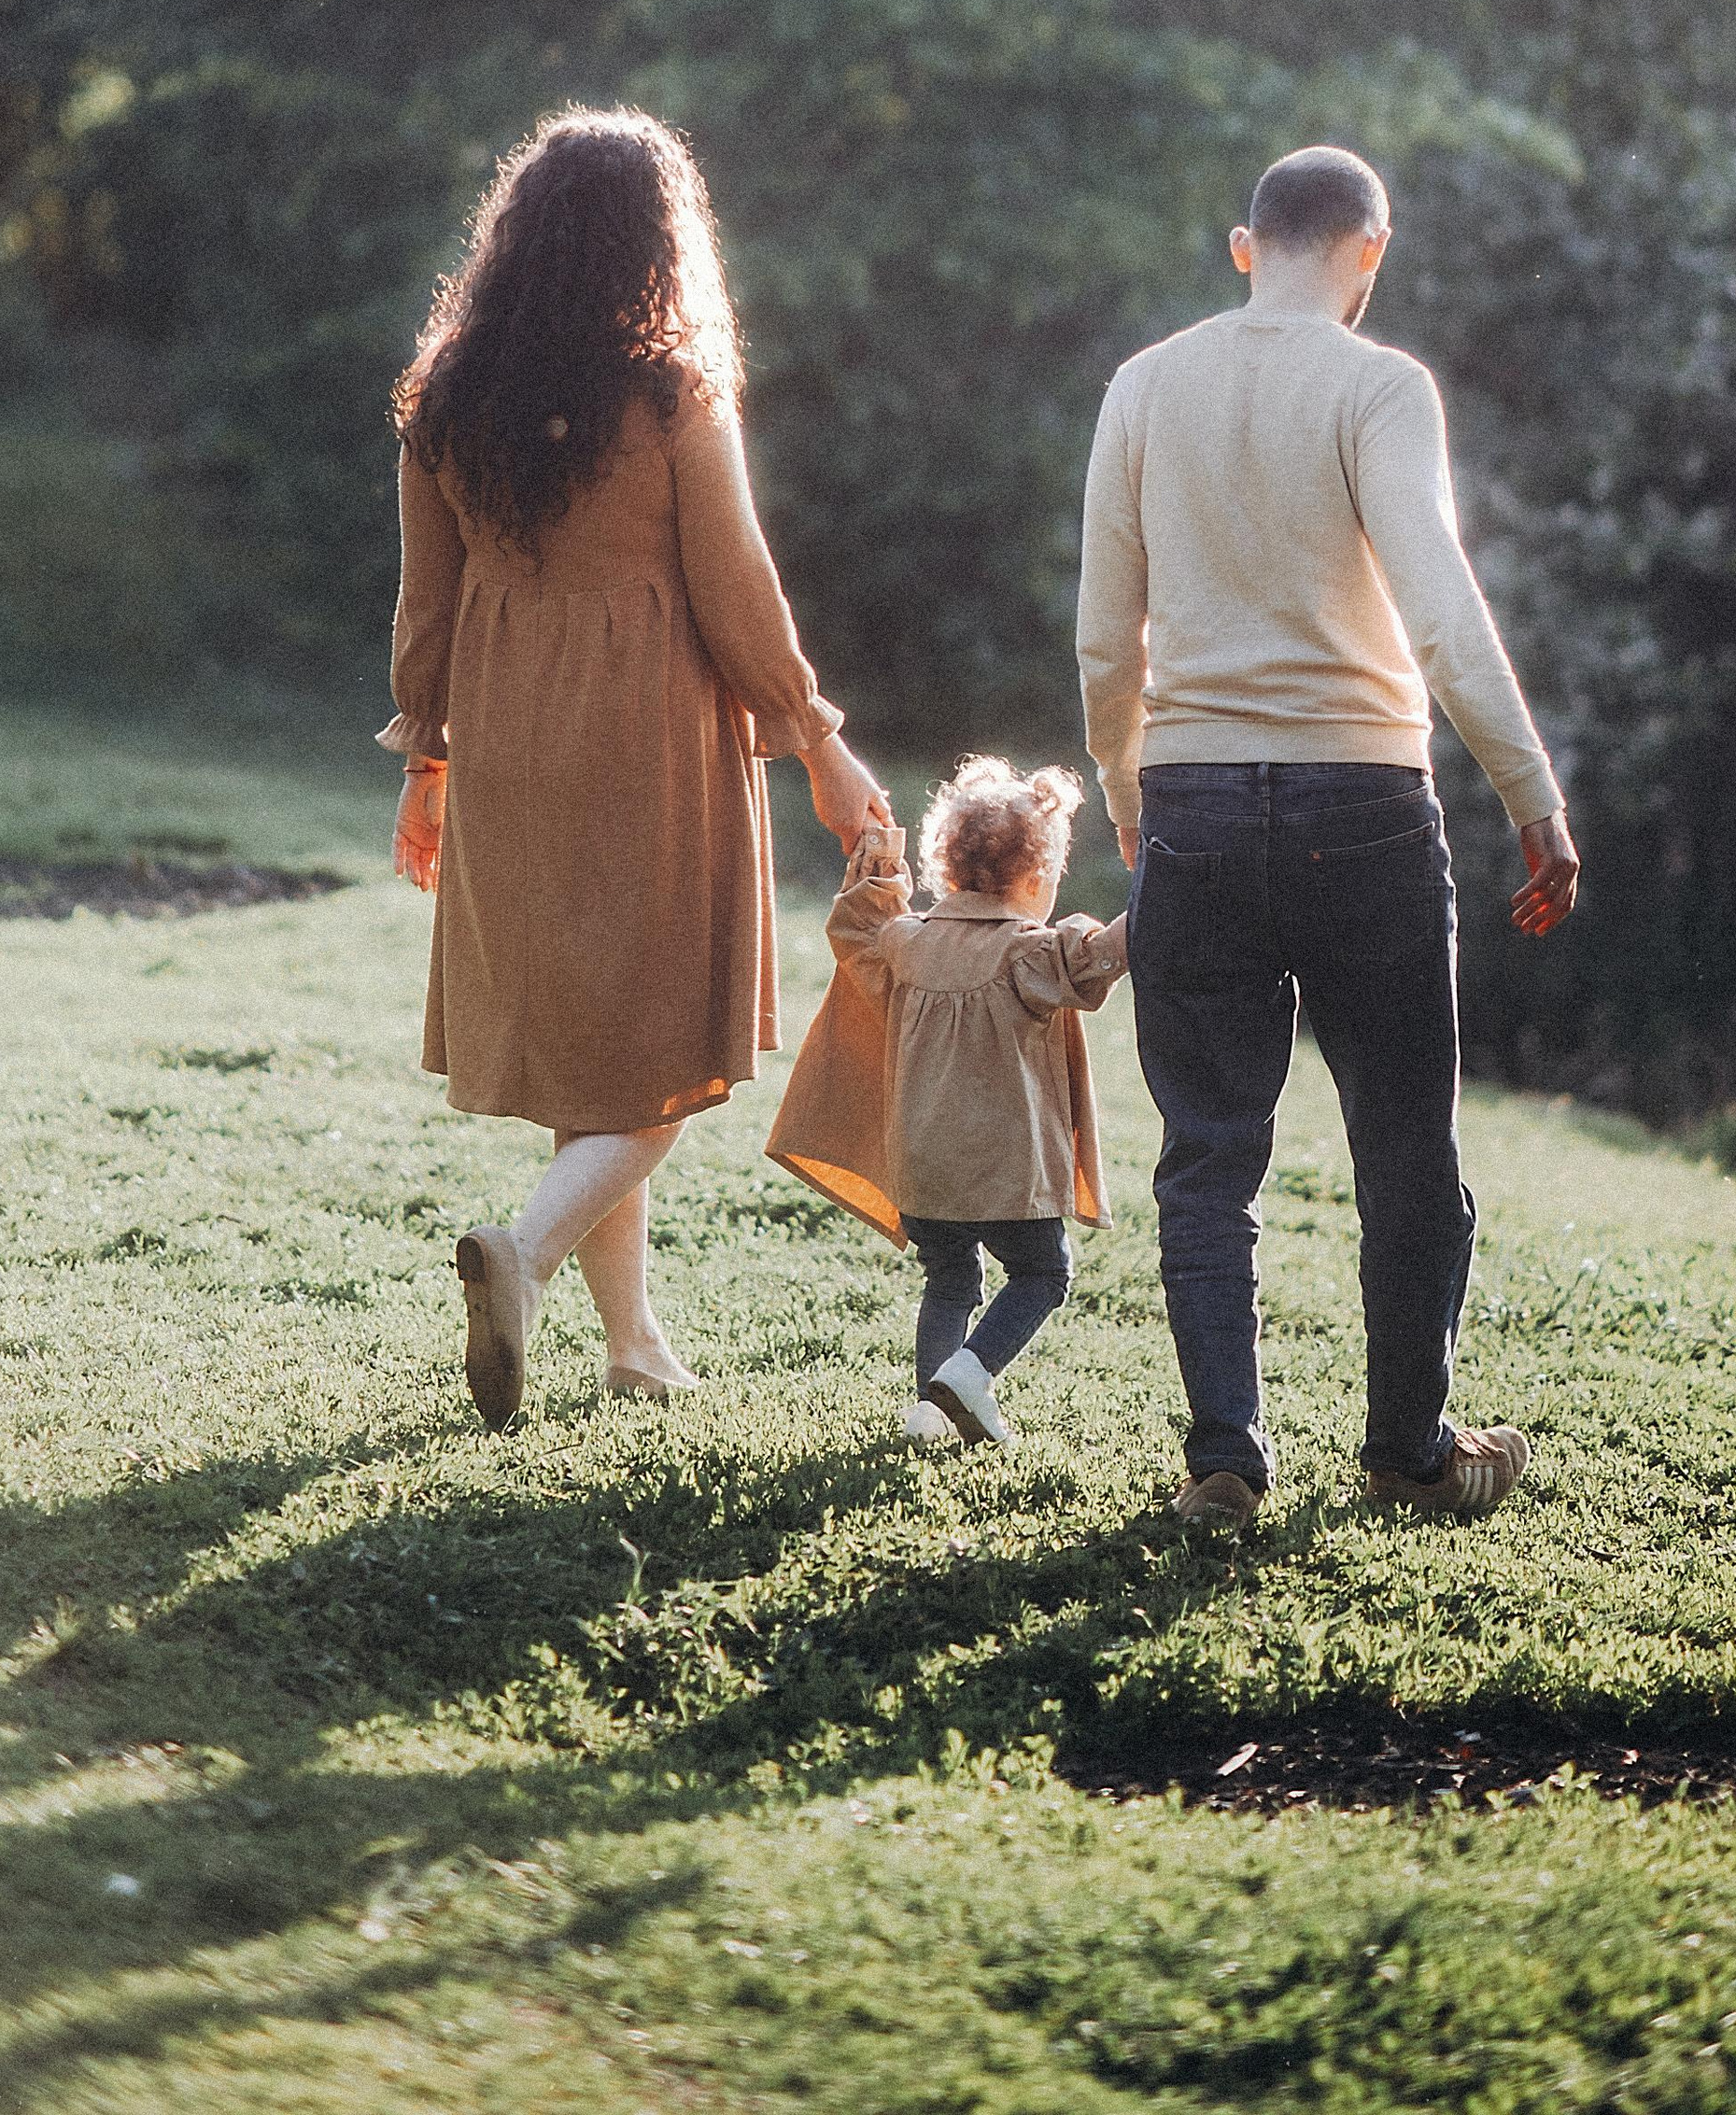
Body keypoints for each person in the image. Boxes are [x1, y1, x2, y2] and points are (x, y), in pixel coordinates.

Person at [1077, 144, 1579, 1531]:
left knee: (1208, 1152)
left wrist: (1128, 789)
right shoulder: (1378, 387)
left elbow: (1100, 633)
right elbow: (1438, 604)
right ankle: (1410, 1450)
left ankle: (1224, 1461)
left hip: (1190, 805)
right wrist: (1529, 795)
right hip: (1363, 806)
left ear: (1248, 247)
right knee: (1408, 1145)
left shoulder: (1142, 387)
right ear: (1373, 251)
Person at [386, 106, 889, 1425]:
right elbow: (739, 596)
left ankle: (637, 1349)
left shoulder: (444, 400)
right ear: (659, 243)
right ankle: (526, 1257)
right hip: (649, 740)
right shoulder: (671, 395)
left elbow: (422, 614)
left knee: (598, 1057)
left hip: (504, 746)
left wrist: (422, 763)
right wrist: (818, 738)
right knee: (662, 1054)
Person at [766, 759, 1127, 1446]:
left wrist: (881, 859)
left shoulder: (906, 941)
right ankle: (968, 1374)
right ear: (1033, 880)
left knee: (950, 1278)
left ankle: (930, 1414)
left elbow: (854, 929)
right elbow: (1100, 955)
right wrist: (1168, 893)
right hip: (1004, 1169)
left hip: (921, 1167)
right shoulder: (1030, 951)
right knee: (1044, 1273)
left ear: (948, 871)